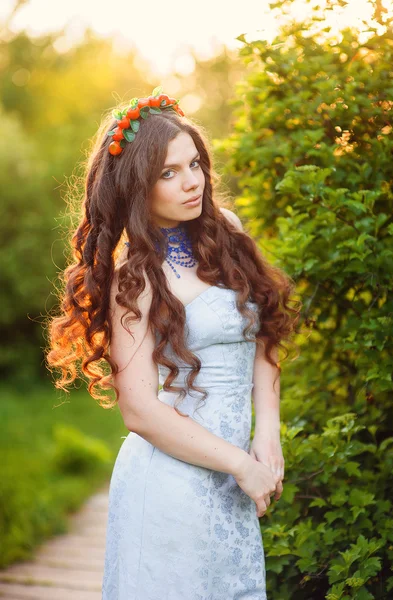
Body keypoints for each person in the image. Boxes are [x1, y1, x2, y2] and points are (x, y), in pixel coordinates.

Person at [45, 86, 301, 599]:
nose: (192, 183)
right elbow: (139, 411)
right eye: (168, 173)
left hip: (235, 479)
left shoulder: (224, 230)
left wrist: (267, 430)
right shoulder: (132, 278)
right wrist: (241, 465)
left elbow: (264, 329)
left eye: (194, 165)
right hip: (170, 485)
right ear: (138, 187)